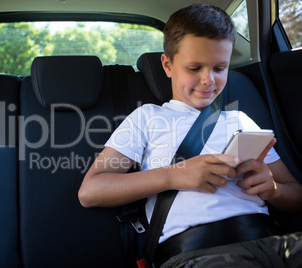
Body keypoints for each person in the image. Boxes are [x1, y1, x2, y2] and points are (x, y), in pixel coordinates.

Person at [78, 3, 302, 267]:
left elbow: (296, 195)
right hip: (198, 252)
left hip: (273, 242)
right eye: (194, 68)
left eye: (220, 68)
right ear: (168, 64)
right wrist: (173, 175)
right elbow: (91, 191)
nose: (209, 80)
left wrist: (272, 190)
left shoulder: (240, 119)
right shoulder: (148, 118)